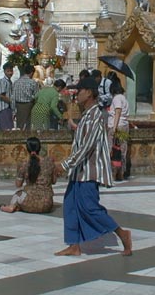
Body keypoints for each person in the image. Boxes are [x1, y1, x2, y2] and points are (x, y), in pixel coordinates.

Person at [55, 77, 132, 257]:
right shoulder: (87, 115)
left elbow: (87, 146)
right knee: (70, 206)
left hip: (89, 171)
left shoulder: (95, 115)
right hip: (79, 171)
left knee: (90, 208)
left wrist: (64, 165)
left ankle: (122, 233)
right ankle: (74, 245)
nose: (76, 95)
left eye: (79, 91)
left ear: (89, 93)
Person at [0, 137, 57, 213]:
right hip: (47, 204)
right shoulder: (50, 162)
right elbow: (54, 181)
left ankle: (12, 206)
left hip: (28, 203)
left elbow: (18, 184)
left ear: (27, 149)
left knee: (18, 194)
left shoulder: (24, 164)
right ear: (39, 148)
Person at [107, 77, 130, 181]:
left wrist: (114, 127)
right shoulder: (124, 98)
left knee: (112, 149)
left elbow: (118, 111)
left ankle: (113, 172)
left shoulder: (117, 98)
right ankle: (121, 172)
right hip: (124, 125)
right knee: (122, 149)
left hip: (117, 125)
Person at [13, 64, 38, 130]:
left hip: (18, 105)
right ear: (32, 73)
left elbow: (13, 97)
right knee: (28, 125)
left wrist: (13, 109)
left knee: (20, 125)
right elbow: (36, 95)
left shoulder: (16, 82)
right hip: (29, 105)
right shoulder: (32, 82)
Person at [0, 61, 15, 130]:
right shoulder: (3, 81)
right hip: (4, 108)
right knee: (7, 129)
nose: (10, 73)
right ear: (4, 71)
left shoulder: (9, 82)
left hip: (7, 108)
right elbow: (1, 95)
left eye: (11, 71)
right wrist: (11, 101)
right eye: (8, 71)